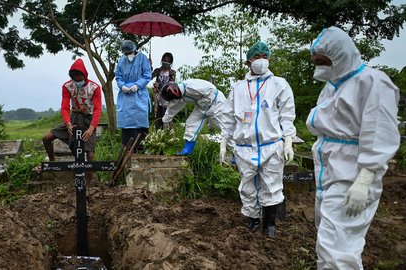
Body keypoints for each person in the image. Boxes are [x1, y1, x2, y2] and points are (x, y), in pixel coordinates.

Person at [307, 26, 400, 269]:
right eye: (315, 62)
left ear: (339, 56)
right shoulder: (333, 85)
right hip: (329, 171)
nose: (319, 67)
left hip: (352, 174)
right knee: (328, 241)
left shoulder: (373, 82)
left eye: (323, 61)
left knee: (339, 249)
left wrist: (365, 178)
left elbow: (379, 132)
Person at [221, 41, 296, 238]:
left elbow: (287, 115)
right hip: (244, 147)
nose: (261, 61)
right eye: (256, 57)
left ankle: (269, 225)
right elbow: (228, 118)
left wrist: (288, 140)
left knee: (272, 185)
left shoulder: (279, 84)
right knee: (247, 186)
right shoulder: (238, 88)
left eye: (264, 57)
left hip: (271, 145)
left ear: (269, 59)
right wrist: (223, 142)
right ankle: (253, 219)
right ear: (248, 62)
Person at [42, 58, 102, 164]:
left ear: (85, 75)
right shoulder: (68, 86)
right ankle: (52, 164)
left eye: (80, 79)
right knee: (46, 138)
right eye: (75, 79)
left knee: (90, 155)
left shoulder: (94, 88)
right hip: (73, 119)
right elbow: (65, 107)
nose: (77, 82)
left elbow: (98, 109)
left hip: (88, 120)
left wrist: (91, 128)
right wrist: (68, 124)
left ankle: (87, 180)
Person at [160, 79, 230, 155]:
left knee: (226, 128)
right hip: (202, 107)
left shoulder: (192, 86)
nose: (172, 102)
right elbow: (173, 108)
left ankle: (237, 154)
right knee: (191, 123)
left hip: (216, 103)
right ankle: (188, 149)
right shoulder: (181, 95)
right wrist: (165, 120)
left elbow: (212, 90)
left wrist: (202, 102)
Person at [115, 40, 152, 151]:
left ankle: (142, 148)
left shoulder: (143, 58)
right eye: (125, 53)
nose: (128, 55)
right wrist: (122, 86)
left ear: (134, 50)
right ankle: (127, 148)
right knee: (127, 122)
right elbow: (118, 77)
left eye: (129, 52)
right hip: (125, 95)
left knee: (140, 121)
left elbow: (147, 75)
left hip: (139, 94)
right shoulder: (121, 61)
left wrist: (137, 85)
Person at [151, 52, 176, 130]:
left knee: (166, 114)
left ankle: (168, 133)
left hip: (167, 96)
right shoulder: (157, 71)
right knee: (157, 114)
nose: (166, 62)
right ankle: (158, 132)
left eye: (168, 61)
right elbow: (148, 77)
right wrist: (149, 66)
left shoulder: (172, 72)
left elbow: (171, 84)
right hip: (157, 95)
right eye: (165, 60)